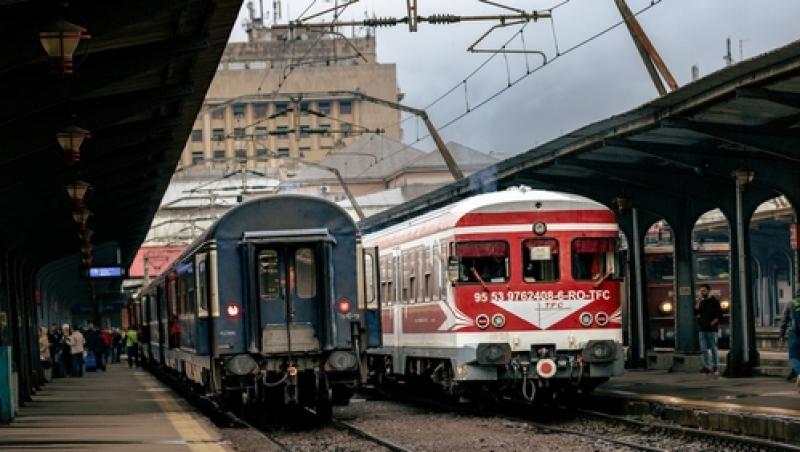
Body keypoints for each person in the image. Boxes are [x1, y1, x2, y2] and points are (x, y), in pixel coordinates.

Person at [695, 284, 723, 375]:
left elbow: (719, 315)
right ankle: (707, 367)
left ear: (708, 291)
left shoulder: (714, 301)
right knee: (703, 349)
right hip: (702, 329)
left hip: (712, 329)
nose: (702, 292)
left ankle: (715, 366)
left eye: (704, 291)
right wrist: (698, 301)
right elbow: (696, 312)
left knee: (713, 348)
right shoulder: (702, 302)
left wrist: (713, 323)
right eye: (701, 291)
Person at [778, 292, 800, 387]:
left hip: (795, 335)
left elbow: (784, 320)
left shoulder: (791, 303)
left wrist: (781, 335)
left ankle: (797, 373)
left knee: (794, 357)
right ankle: (795, 373)